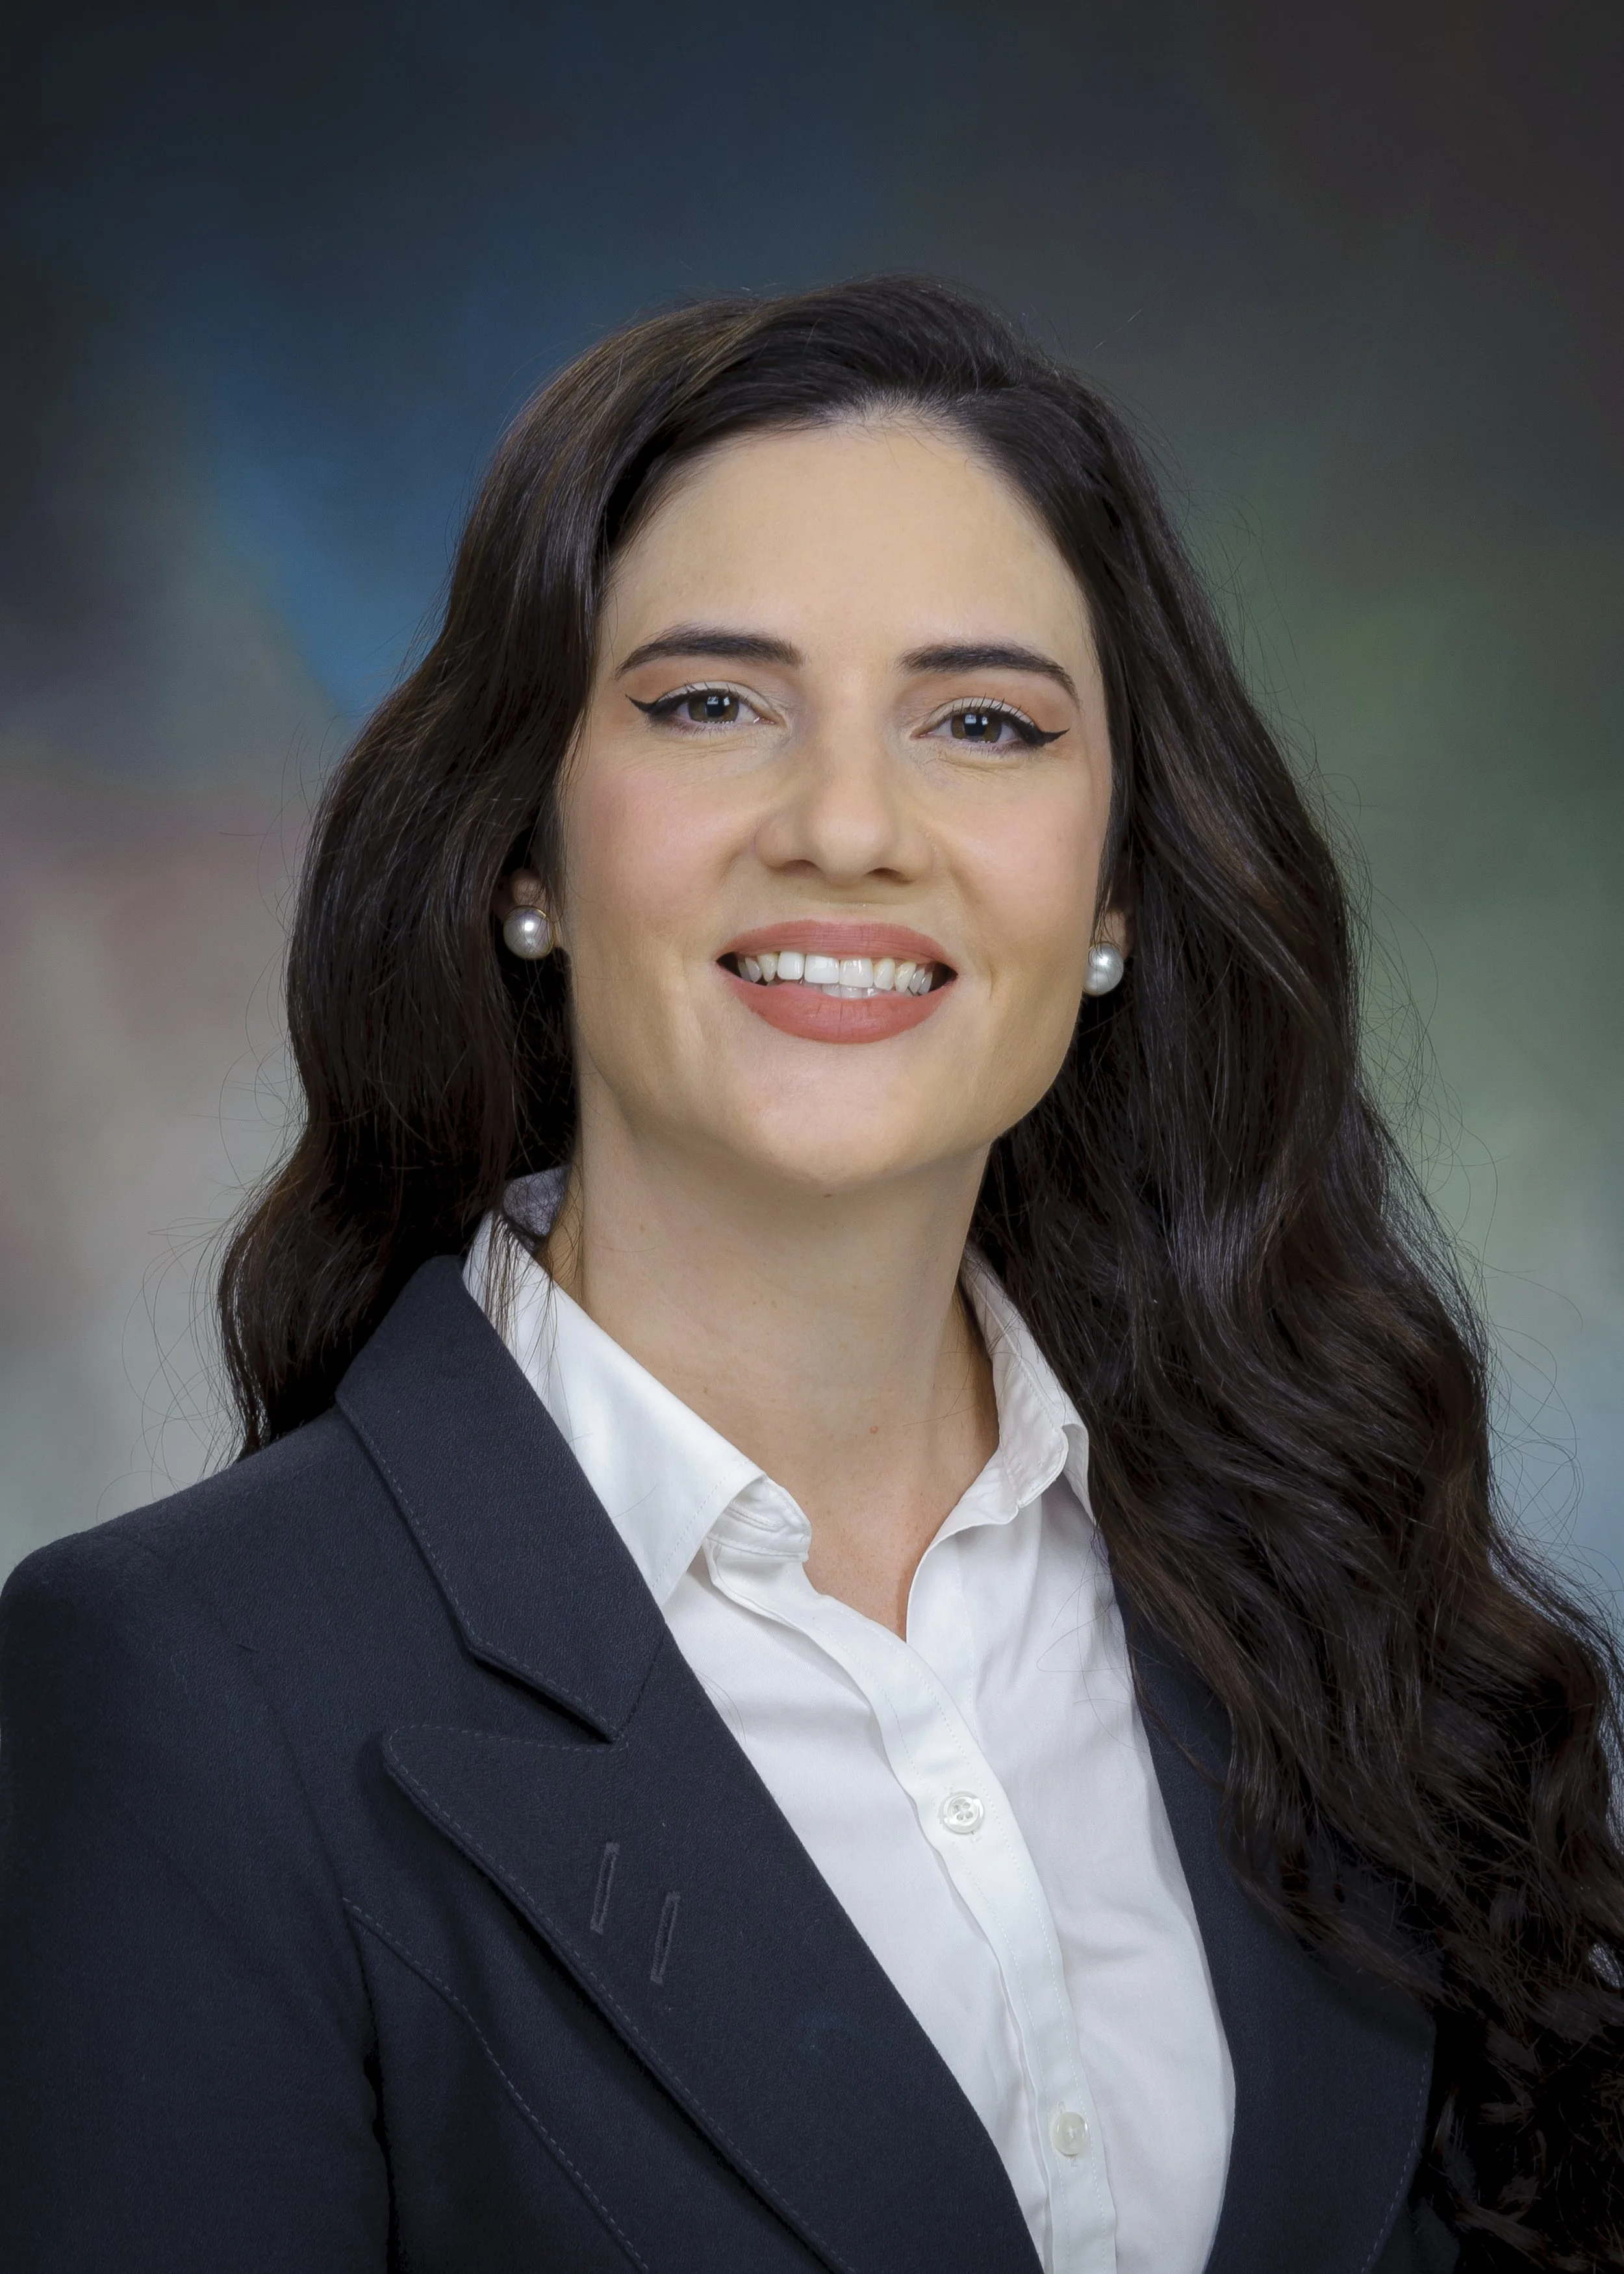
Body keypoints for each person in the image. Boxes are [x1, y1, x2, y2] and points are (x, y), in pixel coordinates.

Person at [1, 278, 1619, 2274]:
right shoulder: (183, 1693)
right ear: (528, 849)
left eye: (981, 723)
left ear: (1109, 889)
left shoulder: (1337, 1601)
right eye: (708, 703)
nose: (851, 826)